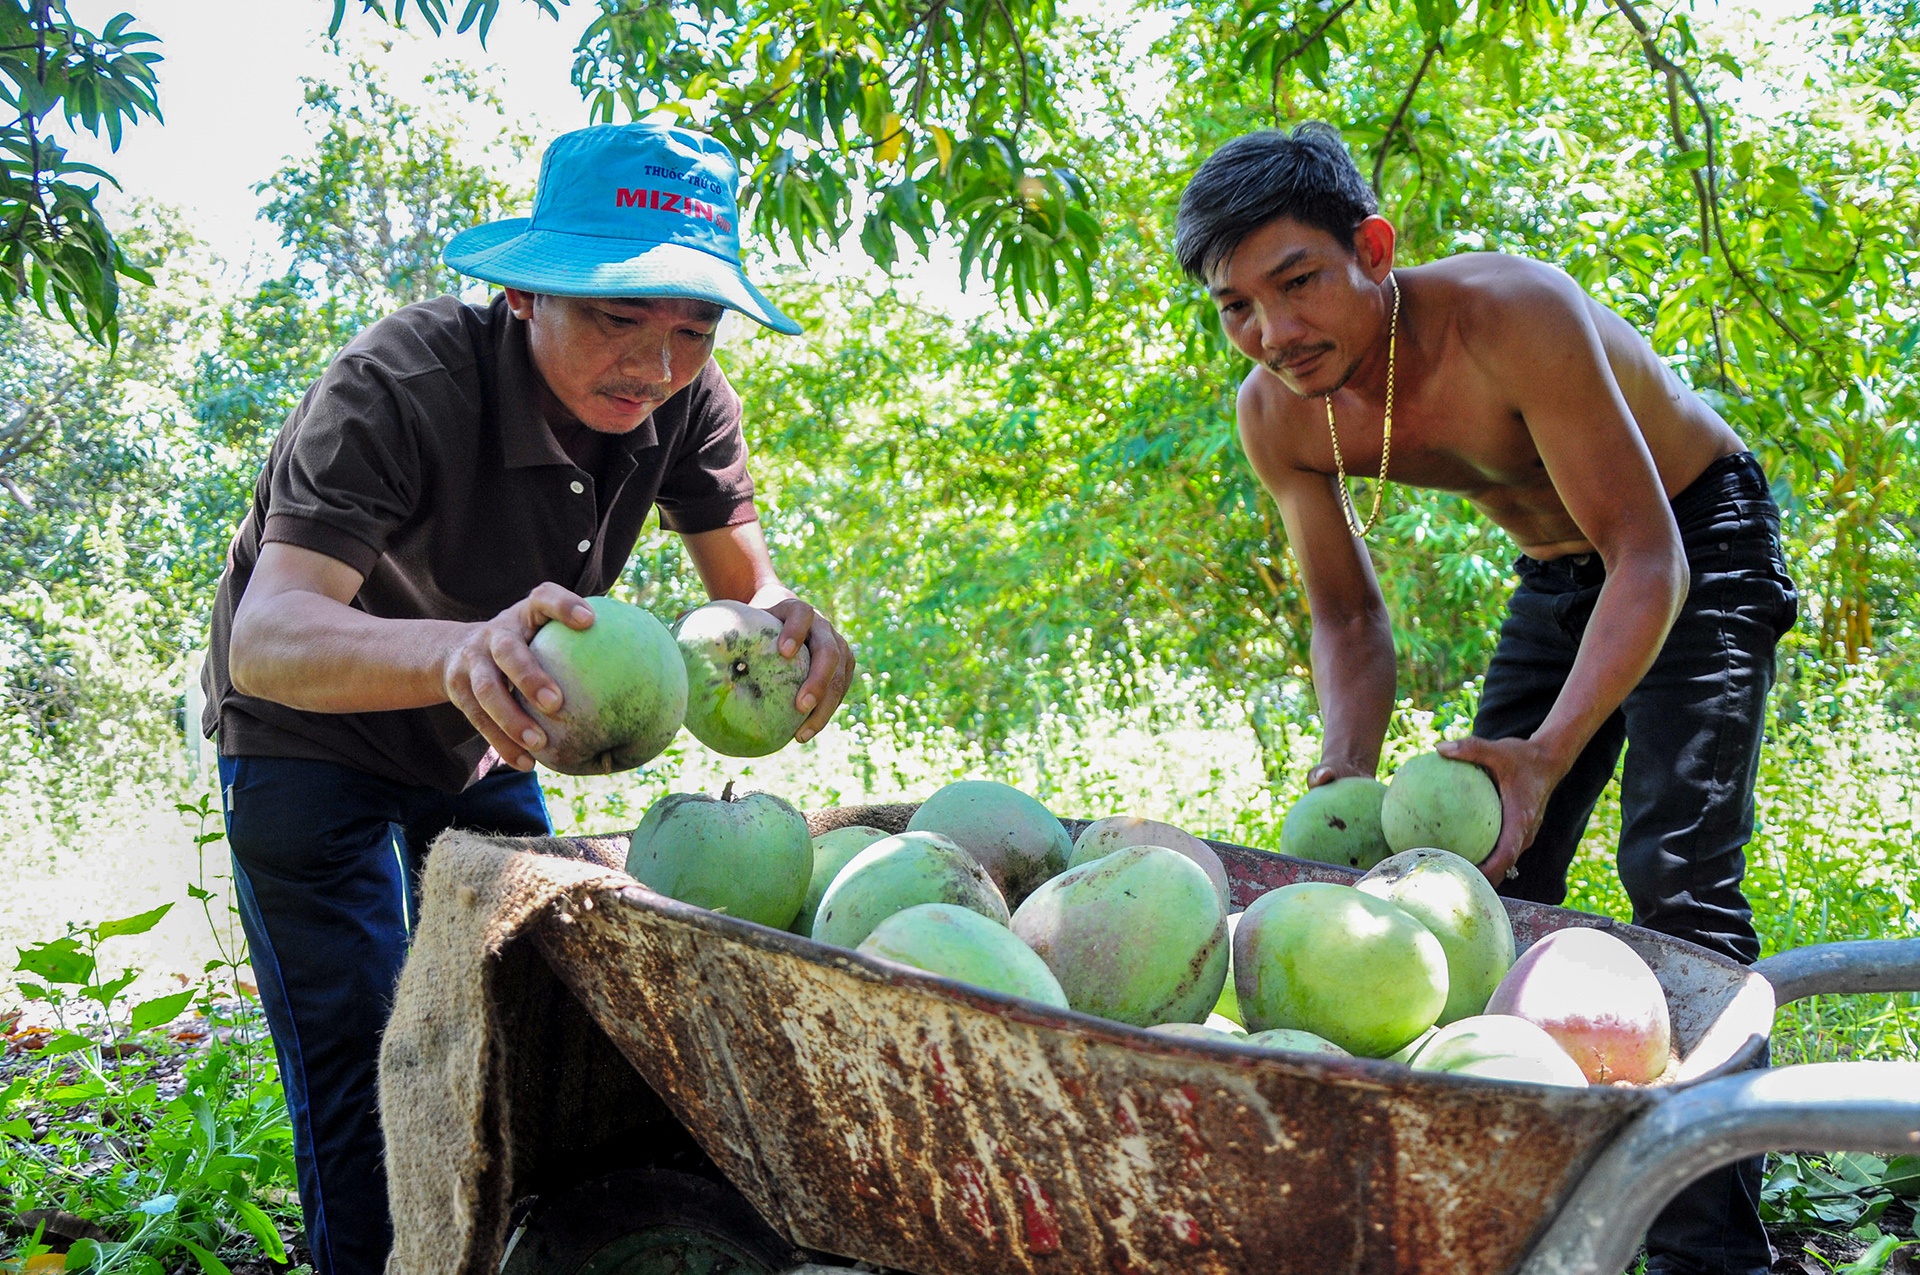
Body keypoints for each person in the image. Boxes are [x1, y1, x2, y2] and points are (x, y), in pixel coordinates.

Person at [199, 123, 854, 1275]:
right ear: (522, 294)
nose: (655, 366)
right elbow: (269, 638)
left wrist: (793, 630)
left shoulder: (688, 403)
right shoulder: (394, 386)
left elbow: (748, 594)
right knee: (365, 1060)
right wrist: (458, 654)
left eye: (693, 330)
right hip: (307, 735)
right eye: (618, 318)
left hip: (489, 739)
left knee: (529, 1042)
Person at [1175, 122, 1796, 1275]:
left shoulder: (1511, 313)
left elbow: (1647, 558)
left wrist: (1547, 752)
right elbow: (1349, 621)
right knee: (1488, 885)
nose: (1274, 332)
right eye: (1236, 308)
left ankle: (1710, 1257)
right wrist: (1342, 771)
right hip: (1561, 578)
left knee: (1678, 882)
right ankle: (1527, 1219)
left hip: (1691, 535)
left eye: (1297, 282)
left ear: (1372, 246)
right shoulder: (1277, 415)